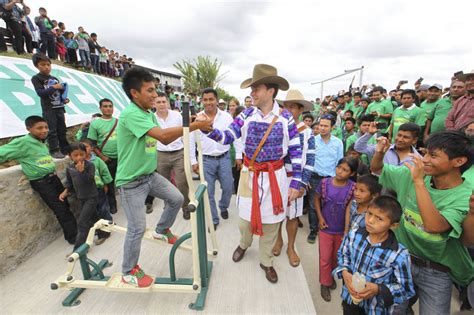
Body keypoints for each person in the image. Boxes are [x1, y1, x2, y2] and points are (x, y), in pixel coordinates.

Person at [204, 64, 302, 283]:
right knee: (244, 220)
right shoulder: (246, 115)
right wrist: (208, 130)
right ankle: (244, 244)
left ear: (271, 91)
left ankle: (266, 261)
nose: (252, 93)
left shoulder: (286, 119)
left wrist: (296, 181)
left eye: (257, 88)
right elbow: (228, 136)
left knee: (272, 223)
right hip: (250, 175)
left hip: (275, 178)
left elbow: (296, 152)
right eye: (252, 89)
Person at [115, 67, 212, 287]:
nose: (154, 95)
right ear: (134, 93)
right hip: (131, 182)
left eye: (155, 90)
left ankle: (161, 230)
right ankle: (128, 271)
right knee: (137, 228)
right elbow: (163, 138)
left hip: (148, 175)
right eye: (149, 90)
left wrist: (193, 119)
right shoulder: (131, 114)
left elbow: (168, 132)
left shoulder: (147, 113)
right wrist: (195, 125)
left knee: (177, 199)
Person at [371, 131, 474, 314]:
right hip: (402, 260)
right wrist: (380, 152)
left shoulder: (466, 196)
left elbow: (435, 227)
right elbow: (378, 169)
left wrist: (419, 182)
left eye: (432, 155)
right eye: (425, 152)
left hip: (437, 271)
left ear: (459, 161)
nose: (424, 159)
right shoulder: (414, 174)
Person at [0, 116, 77, 244]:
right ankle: (74, 238)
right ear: (29, 129)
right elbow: (2, 153)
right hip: (42, 182)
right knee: (60, 209)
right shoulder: (23, 142)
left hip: (53, 178)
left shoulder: (41, 141)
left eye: (46, 127)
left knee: (65, 205)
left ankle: (75, 231)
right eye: (39, 128)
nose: (44, 130)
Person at [333, 196, 415, 314]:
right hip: (350, 300)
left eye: (379, 219)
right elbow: (343, 255)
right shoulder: (354, 234)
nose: (370, 220)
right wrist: (345, 272)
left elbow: (405, 290)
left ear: (393, 225)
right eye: (369, 213)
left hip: (375, 309)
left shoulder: (399, 255)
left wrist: (378, 289)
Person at [273, 89, 315, 267]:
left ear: (300, 110)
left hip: (296, 179)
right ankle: (278, 240)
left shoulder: (307, 132)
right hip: (278, 176)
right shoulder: (276, 126)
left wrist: (303, 183)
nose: (288, 110)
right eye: (286, 106)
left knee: (292, 216)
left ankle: (291, 247)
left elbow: (310, 158)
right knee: (276, 212)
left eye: (293, 107)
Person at [191, 88, 240, 229]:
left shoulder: (226, 117)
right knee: (208, 192)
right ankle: (213, 219)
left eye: (211, 99)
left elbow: (235, 136)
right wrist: (193, 161)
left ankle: (223, 206)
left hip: (224, 158)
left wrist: (238, 155)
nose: (208, 102)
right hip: (205, 160)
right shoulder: (197, 118)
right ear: (201, 101)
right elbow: (189, 140)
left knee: (228, 186)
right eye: (205, 99)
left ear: (217, 101)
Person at [315, 157, 357, 301]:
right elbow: (316, 199)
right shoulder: (324, 183)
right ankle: (324, 283)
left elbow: (348, 210)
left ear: (352, 173)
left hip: (340, 230)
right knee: (325, 257)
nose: (340, 171)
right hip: (325, 228)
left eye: (345, 170)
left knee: (336, 257)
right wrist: (320, 218)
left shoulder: (352, 188)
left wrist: (346, 231)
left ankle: (330, 277)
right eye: (339, 167)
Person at [144, 92, 191, 219]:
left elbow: (186, 134)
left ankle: (186, 207)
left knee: (182, 183)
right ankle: (168, 208)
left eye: (164, 101)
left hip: (178, 153)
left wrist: (189, 154)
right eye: (158, 102)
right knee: (163, 185)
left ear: (168, 103)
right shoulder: (150, 118)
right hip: (161, 155)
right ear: (154, 104)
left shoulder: (177, 116)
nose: (161, 104)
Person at [307, 114, 344, 244]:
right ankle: (313, 230)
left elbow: (339, 162)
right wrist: (306, 179)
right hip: (314, 178)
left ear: (332, 127)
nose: (322, 128)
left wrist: (338, 180)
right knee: (312, 205)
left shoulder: (338, 143)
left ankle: (325, 227)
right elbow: (307, 161)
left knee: (328, 204)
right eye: (320, 125)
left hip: (330, 179)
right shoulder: (312, 141)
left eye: (325, 126)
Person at [59, 143, 100, 250]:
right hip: (81, 197)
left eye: (81, 154)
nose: (79, 157)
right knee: (93, 217)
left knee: (82, 222)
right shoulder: (70, 168)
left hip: (92, 197)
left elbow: (90, 180)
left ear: (86, 154)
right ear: (70, 156)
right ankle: (104, 232)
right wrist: (65, 191)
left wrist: (82, 171)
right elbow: (70, 183)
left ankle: (79, 249)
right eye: (75, 155)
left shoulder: (90, 165)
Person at [31, 53, 69, 158]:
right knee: (52, 130)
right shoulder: (36, 78)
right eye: (43, 64)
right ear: (36, 66)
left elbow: (59, 93)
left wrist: (64, 99)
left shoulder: (54, 78)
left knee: (62, 129)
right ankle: (54, 150)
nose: (46, 67)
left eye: (48, 64)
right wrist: (54, 87)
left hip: (59, 108)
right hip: (49, 109)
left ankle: (65, 148)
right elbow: (41, 93)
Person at [87, 98, 119, 214]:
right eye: (105, 106)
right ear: (100, 108)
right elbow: (92, 144)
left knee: (125, 181)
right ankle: (112, 205)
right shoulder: (95, 124)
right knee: (109, 182)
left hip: (121, 157)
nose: (108, 108)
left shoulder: (119, 121)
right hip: (106, 159)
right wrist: (102, 156)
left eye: (110, 106)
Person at [80, 139, 112, 245]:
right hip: (86, 192)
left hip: (98, 189)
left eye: (86, 147)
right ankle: (98, 229)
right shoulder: (78, 163)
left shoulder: (97, 160)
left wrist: (106, 184)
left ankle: (106, 229)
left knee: (103, 209)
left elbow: (105, 172)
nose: (84, 150)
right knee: (93, 212)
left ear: (92, 148)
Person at [355, 122, 421, 167]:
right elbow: (359, 148)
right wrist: (369, 134)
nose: (400, 139)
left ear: (414, 140)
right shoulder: (383, 148)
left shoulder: (418, 160)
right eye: (399, 135)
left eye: (405, 137)